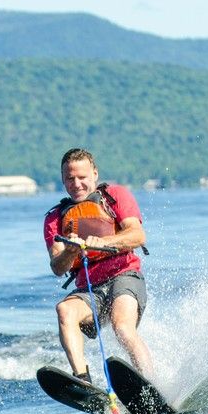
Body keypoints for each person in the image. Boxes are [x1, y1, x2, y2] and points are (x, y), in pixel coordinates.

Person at [43, 148, 153, 384]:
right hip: (90, 288)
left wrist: (103, 242)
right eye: (70, 179)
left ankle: (150, 383)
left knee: (122, 325)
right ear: (63, 180)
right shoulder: (55, 218)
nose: (76, 184)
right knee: (64, 310)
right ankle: (83, 380)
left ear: (94, 173)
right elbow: (57, 266)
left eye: (82, 177)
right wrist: (71, 253)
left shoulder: (115, 196)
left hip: (124, 275)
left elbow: (137, 235)